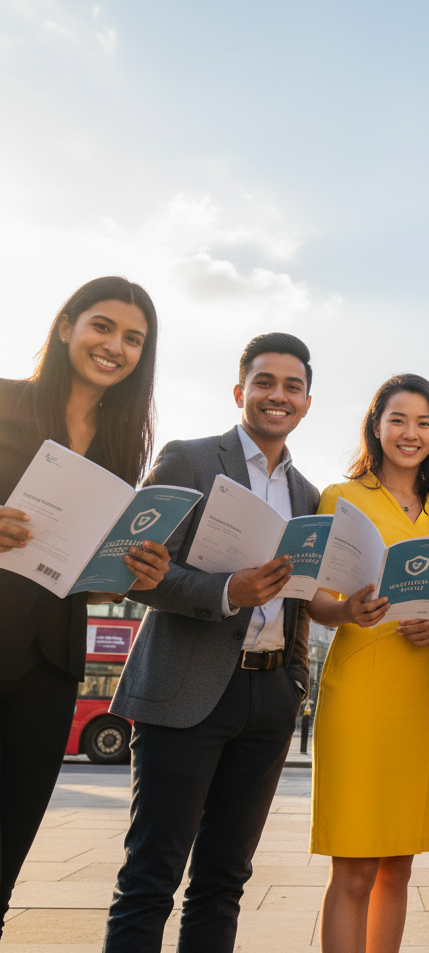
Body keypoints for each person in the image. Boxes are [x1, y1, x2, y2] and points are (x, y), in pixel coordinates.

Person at [102, 332, 320, 953]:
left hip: (270, 697)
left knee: (224, 880)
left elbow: (299, 599)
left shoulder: (308, 494)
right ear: (240, 391)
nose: (278, 395)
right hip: (185, 688)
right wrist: (229, 591)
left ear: (306, 403)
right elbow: (136, 568)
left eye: (292, 386)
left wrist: (294, 685)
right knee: (151, 877)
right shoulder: (190, 459)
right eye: (265, 382)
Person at [0, 276, 170, 934]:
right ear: (67, 323)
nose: (115, 347)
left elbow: (82, 577)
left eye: (134, 339)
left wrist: (131, 576)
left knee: (8, 852)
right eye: (103, 326)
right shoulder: (6, 401)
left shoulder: (122, 443)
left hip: (50, 664)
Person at [305, 374, 429, 953]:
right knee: (354, 869)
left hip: (421, 691)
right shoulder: (341, 498)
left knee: (398, 865)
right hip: (361, 691)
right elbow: (312, 598)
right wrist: (349, 612)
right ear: (376, 426)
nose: (410, 433)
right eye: (398, 420)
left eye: (423, 422)